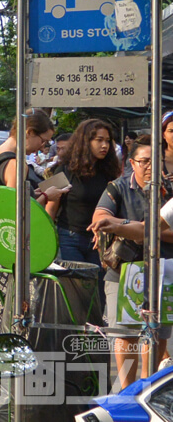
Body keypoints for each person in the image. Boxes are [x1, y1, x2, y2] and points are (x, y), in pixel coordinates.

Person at [0, 109, 69, 419]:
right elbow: (16, 215)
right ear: (28, 132)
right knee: (15, 323)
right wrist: (48, 195)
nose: (42, 148)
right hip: (7, 258)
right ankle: (11, 402)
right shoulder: (15, 162)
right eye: (43, 141)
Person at [88, 134, 173, 389]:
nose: (149, 166)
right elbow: (100, 215)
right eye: (143, 161)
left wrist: (121, 226)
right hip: (124, 269)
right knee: (125, 335)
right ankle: (127, 391)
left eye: (154, 161)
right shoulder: (119, 186)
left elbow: (156, 229)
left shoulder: (170, 189)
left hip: (164, 267)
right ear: (132, 162)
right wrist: (121, 226)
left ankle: (150, 390)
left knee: (157, 334)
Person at [47, 119, 121, 267]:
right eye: (99, 140)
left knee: (97, 287)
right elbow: (50, 206)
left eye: (107, 141)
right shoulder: (62, 169)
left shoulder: (111, 171)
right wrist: (46, 238)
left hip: (100, 240)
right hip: (69, 238)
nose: (104, 145)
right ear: (85, 141)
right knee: (75, 286)